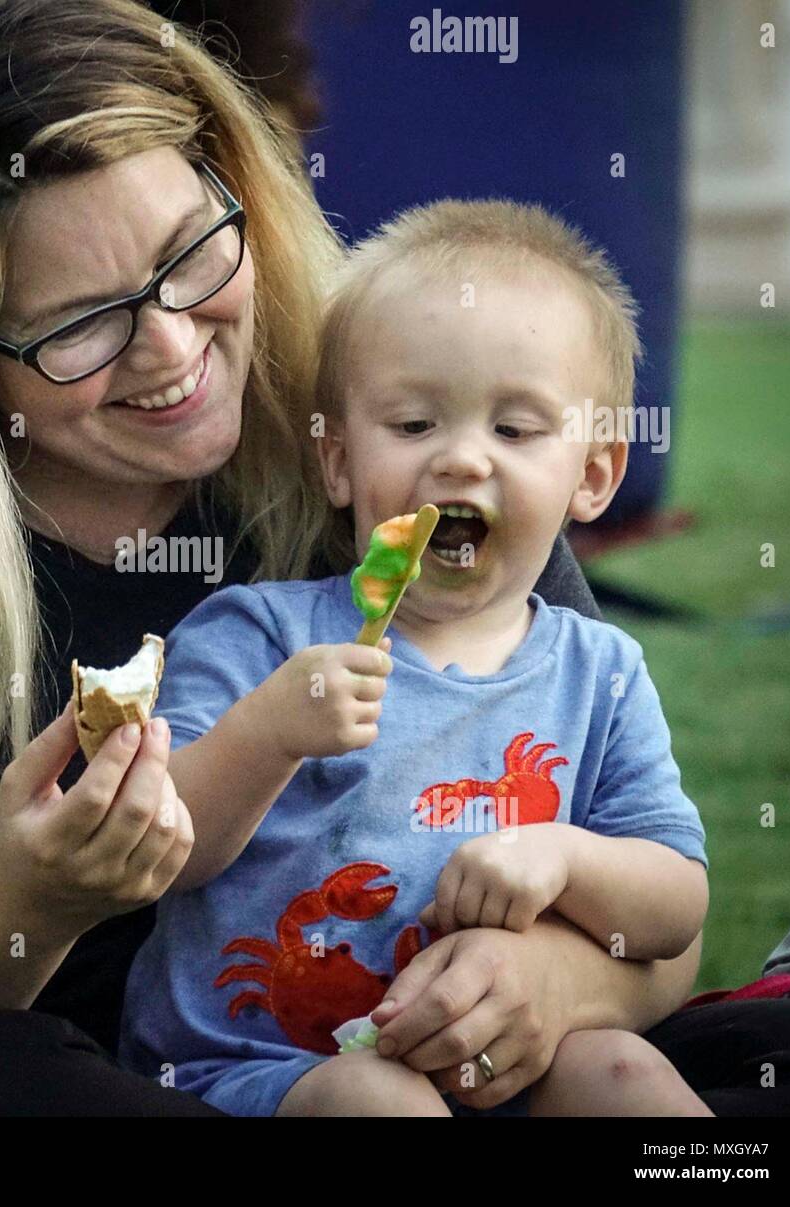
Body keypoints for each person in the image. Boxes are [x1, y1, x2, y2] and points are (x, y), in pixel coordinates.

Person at [0, 0, 790, 1117]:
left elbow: (652, 932)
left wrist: (548, 980)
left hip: (415, 1080)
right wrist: (36, 903)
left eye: (190, 254)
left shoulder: (396, 443)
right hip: (74, 1089)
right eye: (83, 322)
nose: (173, 344)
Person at [119, 200, 712, 1116]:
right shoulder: (257, 636)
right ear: (339, 461)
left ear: (594, 474)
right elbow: (164, 849)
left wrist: (562, 856)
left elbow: (674, 910)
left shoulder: (603, 671)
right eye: (412, 425)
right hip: (265, 1072)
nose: (462, 461)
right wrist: (270, 729)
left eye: (514, 431)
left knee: (628, 1076)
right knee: (375, 1098)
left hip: (510, 1064)